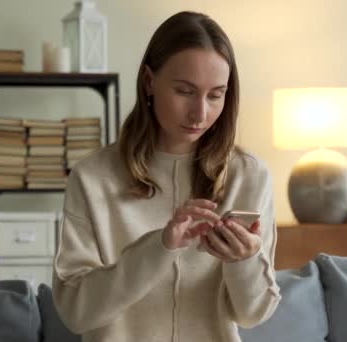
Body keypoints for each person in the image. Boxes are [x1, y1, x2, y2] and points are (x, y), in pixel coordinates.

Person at [52, 11, 281, 342]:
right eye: (185, 91)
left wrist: (244, 261)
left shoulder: (249, 175)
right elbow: (76, 312)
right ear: (149, 81)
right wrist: (159, 248)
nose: (200, 113)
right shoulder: (93, 178)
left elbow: (252, 315)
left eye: (216, 94)